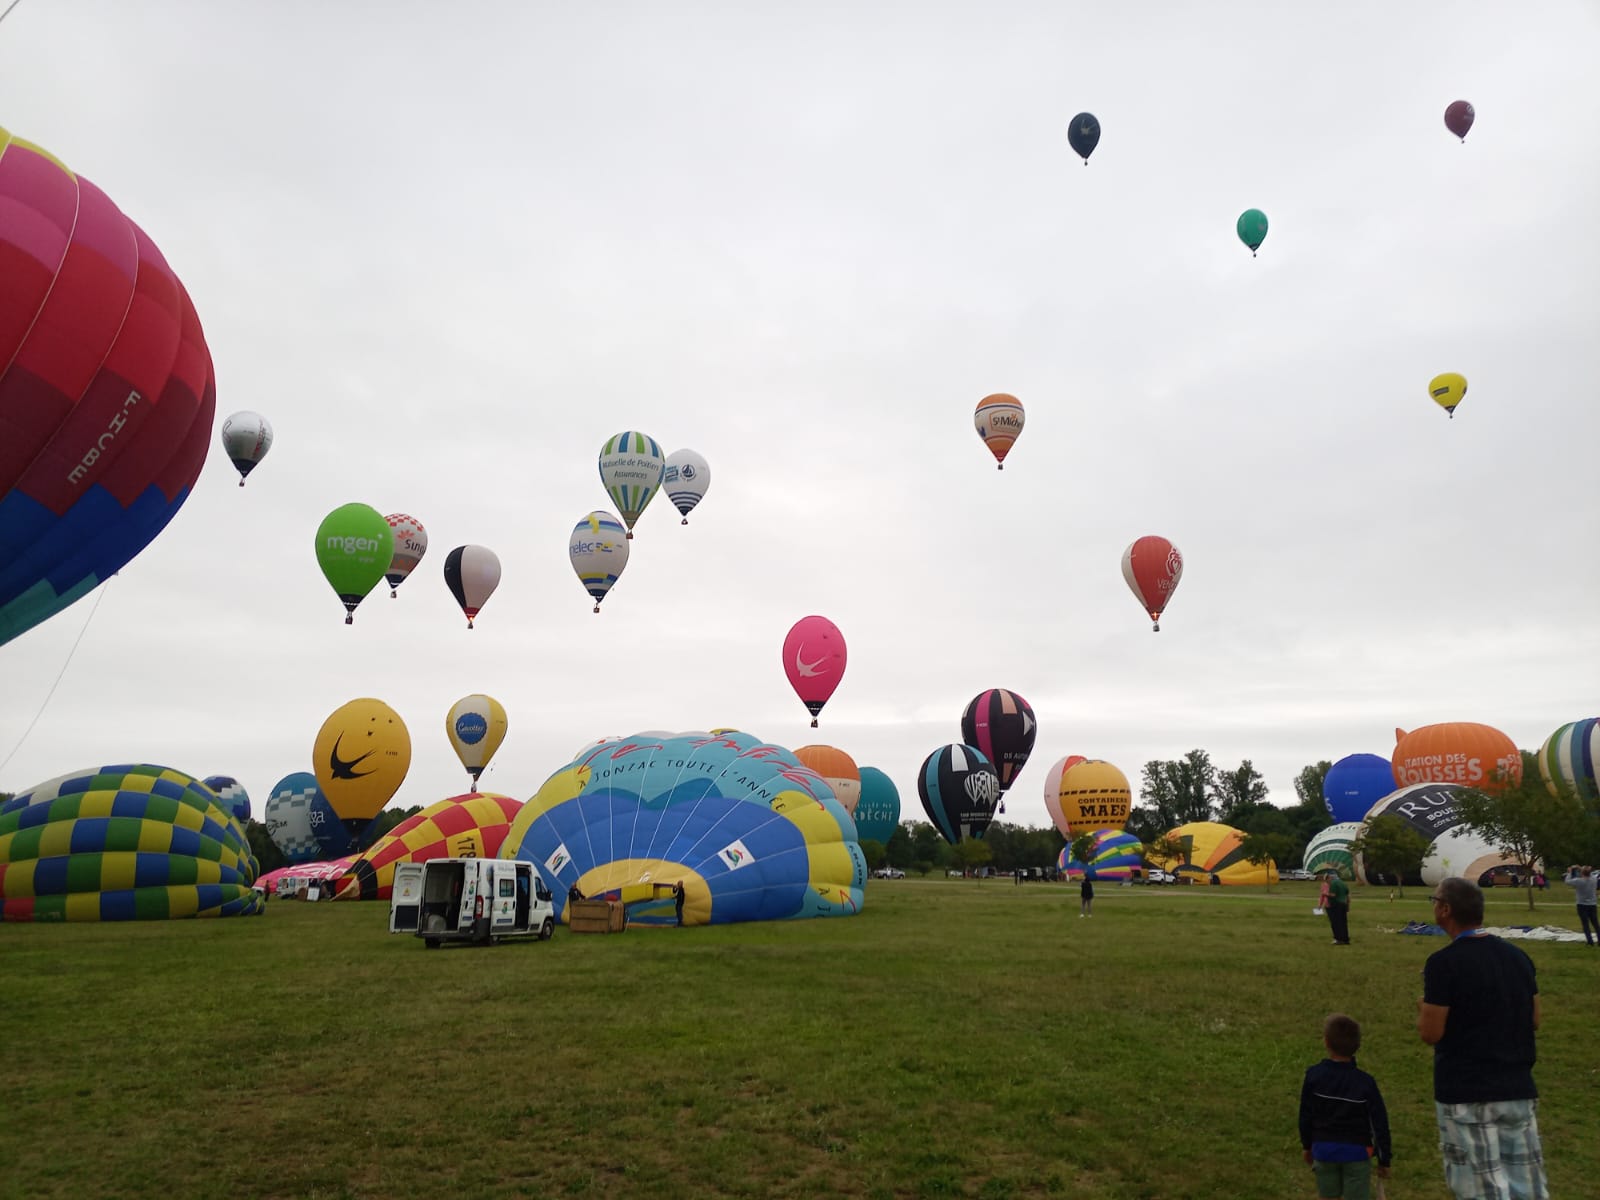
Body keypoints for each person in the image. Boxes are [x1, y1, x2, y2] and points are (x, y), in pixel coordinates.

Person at [1416, 876, 1547, 1200]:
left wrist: (1423, 1008)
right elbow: (1535, 1019)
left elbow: (1431, 1032)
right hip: (1517, 1089)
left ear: (1445, 910)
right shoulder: (1518, 957)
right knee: (1526, 1186)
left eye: (1434, 901)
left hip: (1466, 1094)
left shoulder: (1443, 964)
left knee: (1481, 1189)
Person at [1298, 1013, 1392, 1200]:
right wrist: (1384, 1159)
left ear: (1326, 1042)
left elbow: (1306, 1115)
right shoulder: (1365, 1083)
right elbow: (1379, 1122)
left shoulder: (1314, 1076)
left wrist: (1307, 1145)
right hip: (1356, 1153)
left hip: (1323, 1149)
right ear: (1357, 1046)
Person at [1561, 864, 1597, 946]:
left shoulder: (1579, 881)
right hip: (1592, 904)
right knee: (1595, 923)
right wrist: (1581, 868)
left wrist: (1570, 872)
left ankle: (1590, 941)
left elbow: (1567, 881)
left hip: (1582, 905)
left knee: (1585, 924)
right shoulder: (1594, 879)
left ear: (1582, 873)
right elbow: (1589, 874)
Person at [1325, 870, 1351, 945]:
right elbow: (1348, 896)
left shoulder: (1333, 883)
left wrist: (1325, 894)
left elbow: (1333, 895)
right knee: (1343, 922)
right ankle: (1345, 939)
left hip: (1336, 905)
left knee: (1336, 923)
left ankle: (1338, 939)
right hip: (1344, 904)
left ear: (1330, 877)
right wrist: (1348, 906)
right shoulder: (1343, 883)